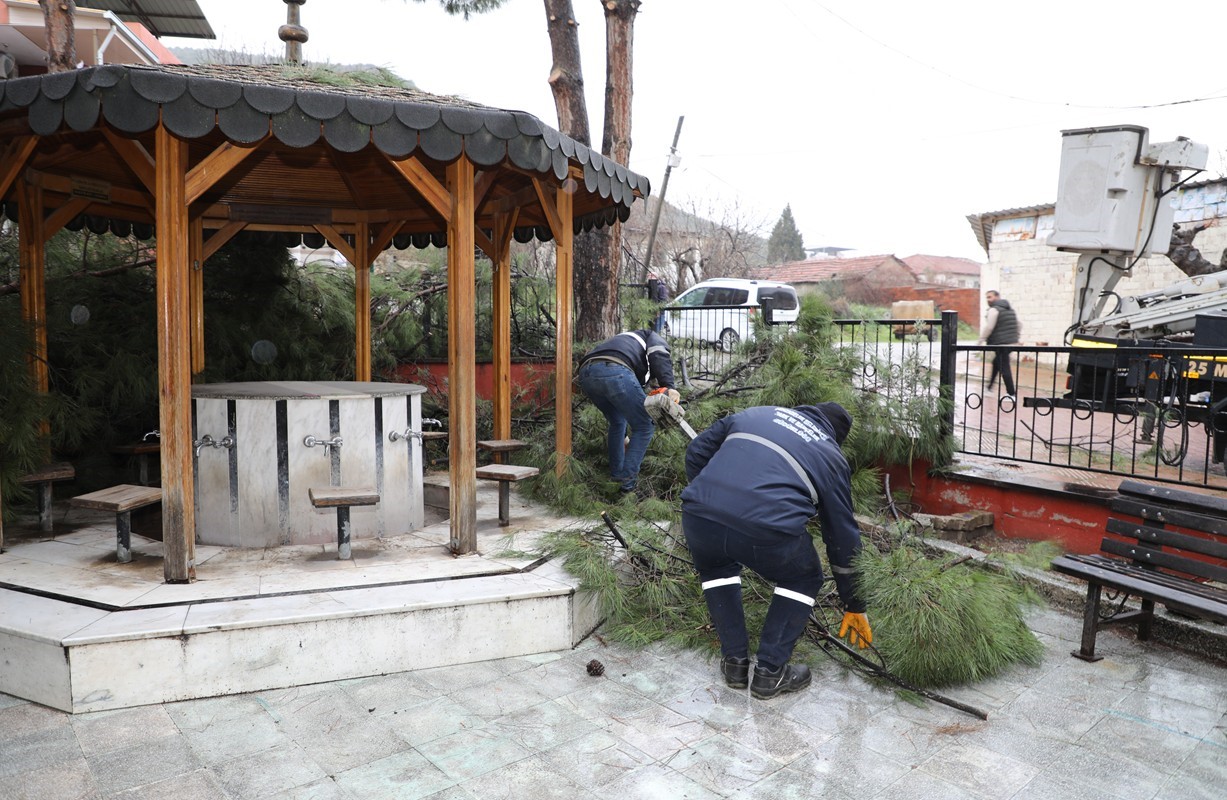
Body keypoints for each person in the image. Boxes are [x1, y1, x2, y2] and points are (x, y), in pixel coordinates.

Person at [680, 402, 872, 699]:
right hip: (765, 529)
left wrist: (717, 503)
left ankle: (735, 664)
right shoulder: (830, 455)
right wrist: (854, 602)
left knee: (716, 568)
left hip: (698, 515)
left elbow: (696, 453)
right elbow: (842, 536)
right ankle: (770, 672)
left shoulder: (755, 413)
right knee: (803, 577)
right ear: (834, 436)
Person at [576, 329, 679, 494]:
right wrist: (670, 386)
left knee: (617, 421)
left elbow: (628, 393)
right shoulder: (652, 337)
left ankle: (617, 477)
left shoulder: (625, 341)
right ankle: (627, 488)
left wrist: (624, 437)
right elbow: (659, 356)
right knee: (644, 425)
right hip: (615, 369)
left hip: (587, 374)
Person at [979, 290, 1021, 400]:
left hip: (1001, 344)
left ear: (997, 297)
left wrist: (981, 340)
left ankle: (1011, 394)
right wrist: (1016, 337)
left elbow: (989, 327)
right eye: (987, 297)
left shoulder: (994, 310)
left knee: (1004, 367)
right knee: (996, 363)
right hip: (1011, 343)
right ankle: (989, 388)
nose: (988, 300)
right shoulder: (1009, 309)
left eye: (990, 297)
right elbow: (1019, 324)